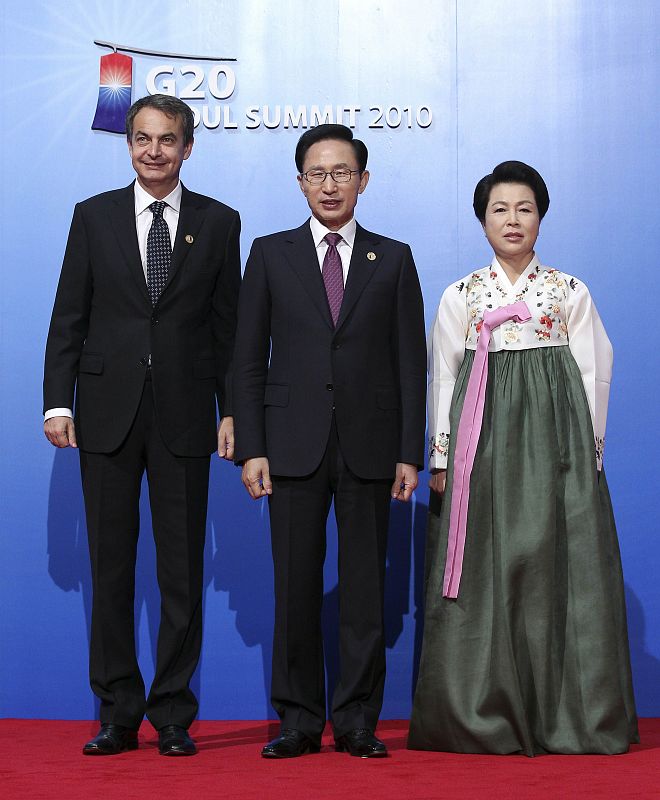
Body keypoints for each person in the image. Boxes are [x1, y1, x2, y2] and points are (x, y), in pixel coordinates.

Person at [408, 161, 638, 756]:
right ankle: (479, 712)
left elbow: (595, 371)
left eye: (525, 208)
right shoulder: (462, 294)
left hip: (555, 441)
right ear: (482, 220)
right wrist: (441, 457)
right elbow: (444, 376)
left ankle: (567, 716)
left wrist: (588, 454)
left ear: (542, 216)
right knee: (484, 566)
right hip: (478, 444)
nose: (513, 220)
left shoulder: (568, 292)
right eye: (499, 210)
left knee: (554, 567)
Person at [43, 94, 241, 756]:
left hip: (186, 416)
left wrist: (232, 407)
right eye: (142, 138)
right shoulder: (93, 216)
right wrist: (57, 401)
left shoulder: (218, 222)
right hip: (105, 413)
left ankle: (174, 715)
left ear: (189, 147)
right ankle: (118, 711)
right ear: (128, 144)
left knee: (182, 572)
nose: (154, 150)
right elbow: (69, 313)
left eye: (168, 139)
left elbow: (227, 329)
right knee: (112, 569)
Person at [232, 124, 426, 758]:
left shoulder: (392, 258)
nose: (329, 184)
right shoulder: (269, 253)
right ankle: (297, 719)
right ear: (300, 182)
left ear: (363, 181)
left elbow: (409, 364)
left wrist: (408, 451)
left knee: (366, 590)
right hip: (289, 444)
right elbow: (246, 360)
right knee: (293, 585)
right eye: (317, 173)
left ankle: (357, 720)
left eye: (342, 172)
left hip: (370, 445)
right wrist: (252, 445)